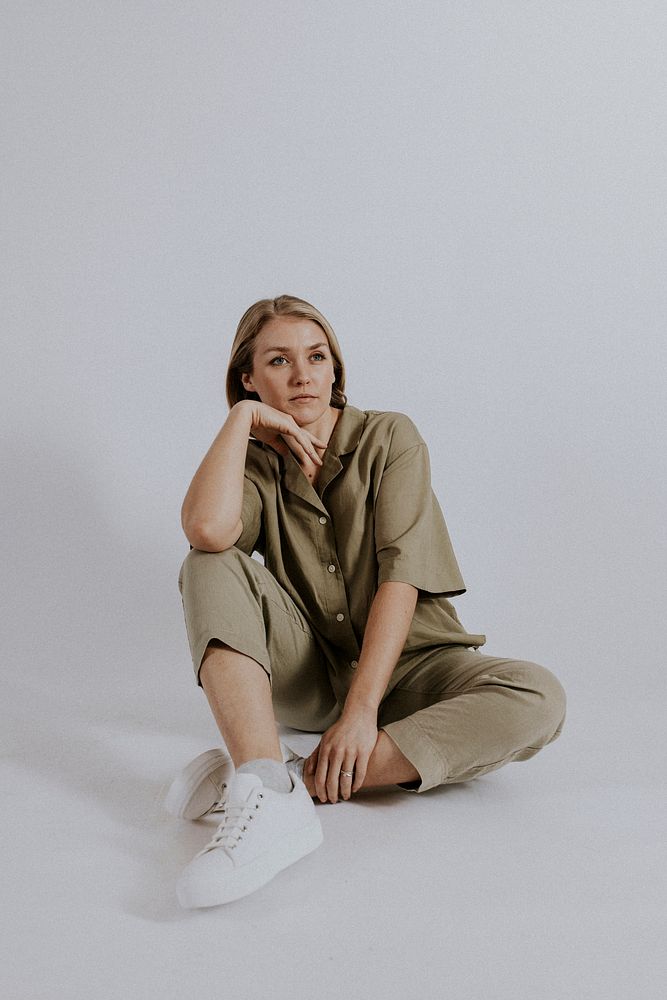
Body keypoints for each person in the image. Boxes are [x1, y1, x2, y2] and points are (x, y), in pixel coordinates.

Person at [168, 294, 566, 909]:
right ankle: (274, 790)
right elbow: (208, 532)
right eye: (278, 360)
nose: (302, 374)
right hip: (311, 671)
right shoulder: (250, 462)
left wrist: (360, 715)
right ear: (249, 379)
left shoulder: (390, 437)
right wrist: (238, 423)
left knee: (538, 697)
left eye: (316, 356)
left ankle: (278, 779)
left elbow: (400, 580)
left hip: (417, 665)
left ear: (335, 368)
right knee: (209, 564)